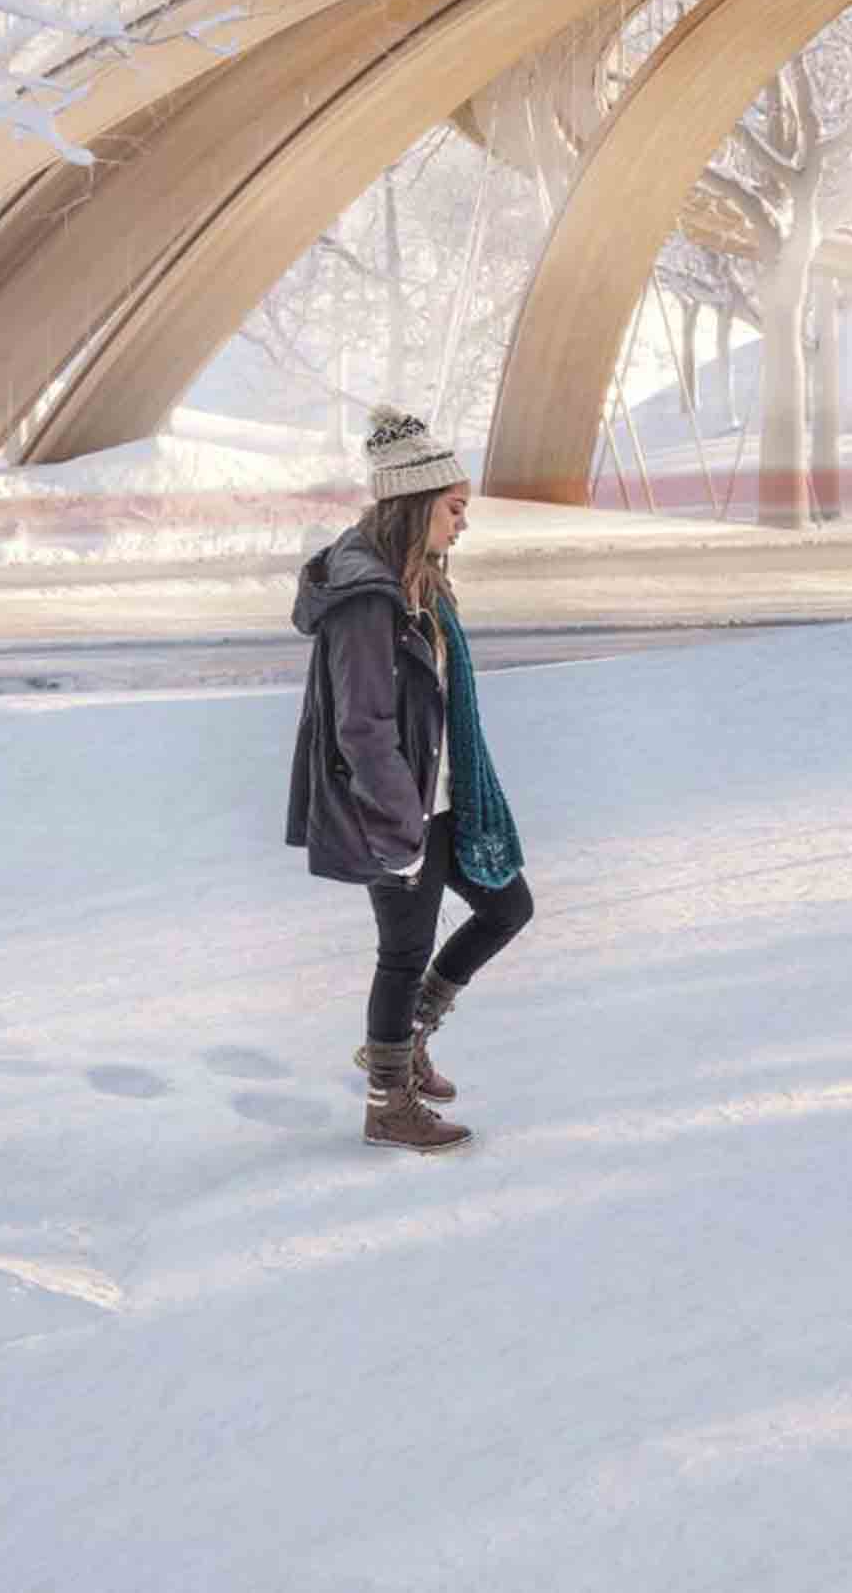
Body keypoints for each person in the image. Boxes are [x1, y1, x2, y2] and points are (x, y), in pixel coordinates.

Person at [285, 408, 533, 1154]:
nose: (462, 525)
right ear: (415, 503)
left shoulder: (417, 583)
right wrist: (400, 825)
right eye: (455, 509)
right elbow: (362, 726)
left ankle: (407, 1039)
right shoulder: (368, 598)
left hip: (441, 800)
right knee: (405, 950)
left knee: (507, 906)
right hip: (394, 810)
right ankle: (387, 1101)